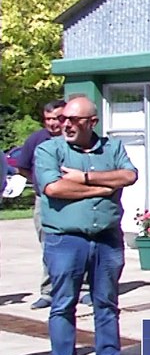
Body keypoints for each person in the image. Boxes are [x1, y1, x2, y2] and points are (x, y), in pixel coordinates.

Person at [33, 95, 139, 355]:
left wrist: (86, 177)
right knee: (63, 304)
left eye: (73, 120)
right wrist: (103, 189)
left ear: (91, 122)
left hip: (106, 239)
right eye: (63, 118)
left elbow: (129, 175)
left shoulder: (113, 147)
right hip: (65, 240)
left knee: (106, 303)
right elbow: (53, 187)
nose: (65, 124)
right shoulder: (49, 150)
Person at [15, 99, 88, 310]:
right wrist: (41, 184)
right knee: (49, 245)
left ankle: (83, 289)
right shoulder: (36, 140)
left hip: (76, 198)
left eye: (56, 118)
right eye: (48, 119)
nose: (53, 124)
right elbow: (22, 167)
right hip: (45, 201)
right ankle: (48, 291)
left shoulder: (77, 139)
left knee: (81, 243)